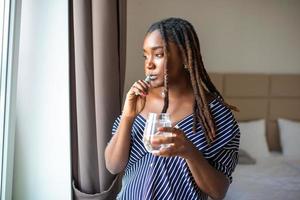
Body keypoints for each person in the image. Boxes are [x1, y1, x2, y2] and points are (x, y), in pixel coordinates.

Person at [105, 17, 240, 200]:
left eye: (158, 54)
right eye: (145, 56)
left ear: (185, 56)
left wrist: (189, 152)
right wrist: (127, 117)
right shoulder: (138, 101)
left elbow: (218, 192)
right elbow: (113, 166)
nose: (149, 64)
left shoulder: (216, 114)